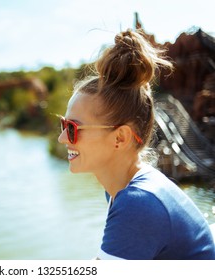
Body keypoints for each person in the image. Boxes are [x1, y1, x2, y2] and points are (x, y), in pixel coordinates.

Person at [57, 29, 215, 260]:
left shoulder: (138, 202)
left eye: (72, 128)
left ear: (120, 138)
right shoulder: (125, 189)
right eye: (63, 125)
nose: (62, 138)